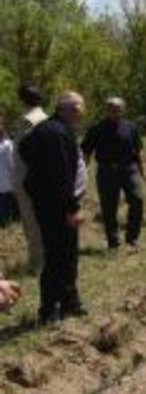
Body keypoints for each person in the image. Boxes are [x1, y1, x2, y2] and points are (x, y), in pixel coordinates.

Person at [19, 91, 89, 324]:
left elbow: (24, 149)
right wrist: (72, 208)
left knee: (66, 254)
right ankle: (48, 309)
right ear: (70, 109)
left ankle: (70, 301)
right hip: (57, 206)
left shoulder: (49, 128)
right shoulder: (56, 132)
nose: (83, 113)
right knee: (59, 256)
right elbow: (62, 176)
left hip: (50, 203)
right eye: (81, 108)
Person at [80, 98, 145, 250]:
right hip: (106, 171)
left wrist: (144, 171)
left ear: (123, 110)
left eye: (119, 109)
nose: (116, 113)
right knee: (109, 207)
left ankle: (132, 238)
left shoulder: (131, 127)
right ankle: (113, 241)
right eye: (112, 110)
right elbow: (86, 153)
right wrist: (82, 174)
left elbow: (139, 150)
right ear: (107, 111)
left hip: (129, 169)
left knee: (137, 200)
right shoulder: (96, 129)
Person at [12, 85, 48, 271]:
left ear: (22, 101)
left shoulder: (29, 121)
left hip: (29, 181)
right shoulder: (43, 119)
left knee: (33, 222)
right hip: (32, 180)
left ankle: (38, 263)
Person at [0, 118, 18, 227]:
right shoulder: (7, 146)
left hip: (8, 187)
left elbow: (13, 165)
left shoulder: (8, 146)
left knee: (8, 216)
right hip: (6, 187)